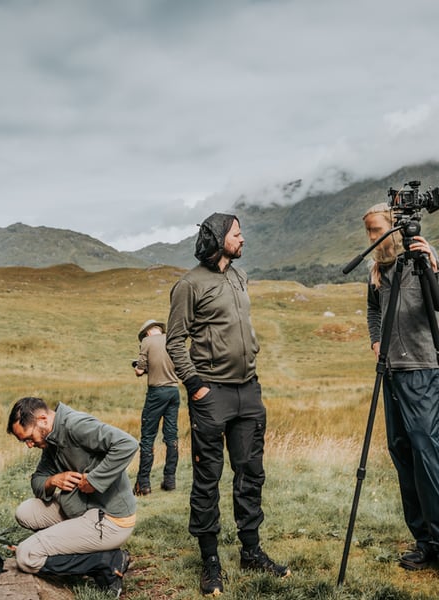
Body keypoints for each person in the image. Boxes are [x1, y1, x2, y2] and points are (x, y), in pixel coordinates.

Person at [166, 212, 290, 596]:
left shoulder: (239, 276)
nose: (243, 239)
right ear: (220, 238)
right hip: (211, 393)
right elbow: (174, 341)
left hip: (248, 391)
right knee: (208, 478)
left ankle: (251, 551)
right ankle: (210, 560)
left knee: (250, 472)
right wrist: (196, 386)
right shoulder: (189, 285)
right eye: (237, 234)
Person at [363, 203, 439, 584]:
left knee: (428, 457)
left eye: (376, 229)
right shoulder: (378, 269)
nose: (371, 237)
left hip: (423, 370)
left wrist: (434, 267)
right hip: (391, 372)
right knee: (403, 454)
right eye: (368, 231)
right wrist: (376, 340)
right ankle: (425, 540)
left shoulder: (420, 259)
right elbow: (373, 310)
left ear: (394, 228)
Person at [6, 397, 138, 596]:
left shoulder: (76, 426)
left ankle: (107, 562)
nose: (29, 445)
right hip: (80, 508)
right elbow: (38, 480)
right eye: (24, 441)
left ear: (42, 420)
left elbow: (127, 444)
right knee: (25, 512)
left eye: (29, 438)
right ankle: (77, 547)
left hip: (111, 519)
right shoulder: (51, 439)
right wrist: (53, 481)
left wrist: (94, 480)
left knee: (26, 555)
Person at [132, 318, 181, 495]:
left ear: (146, 332)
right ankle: (170, 480)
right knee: (171, 436)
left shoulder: (147, 342)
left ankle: (143, 484)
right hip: (174, 391)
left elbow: (139, 370)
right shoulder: (172, 339)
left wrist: (138, 368)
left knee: (148, 437)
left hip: (156, 393)